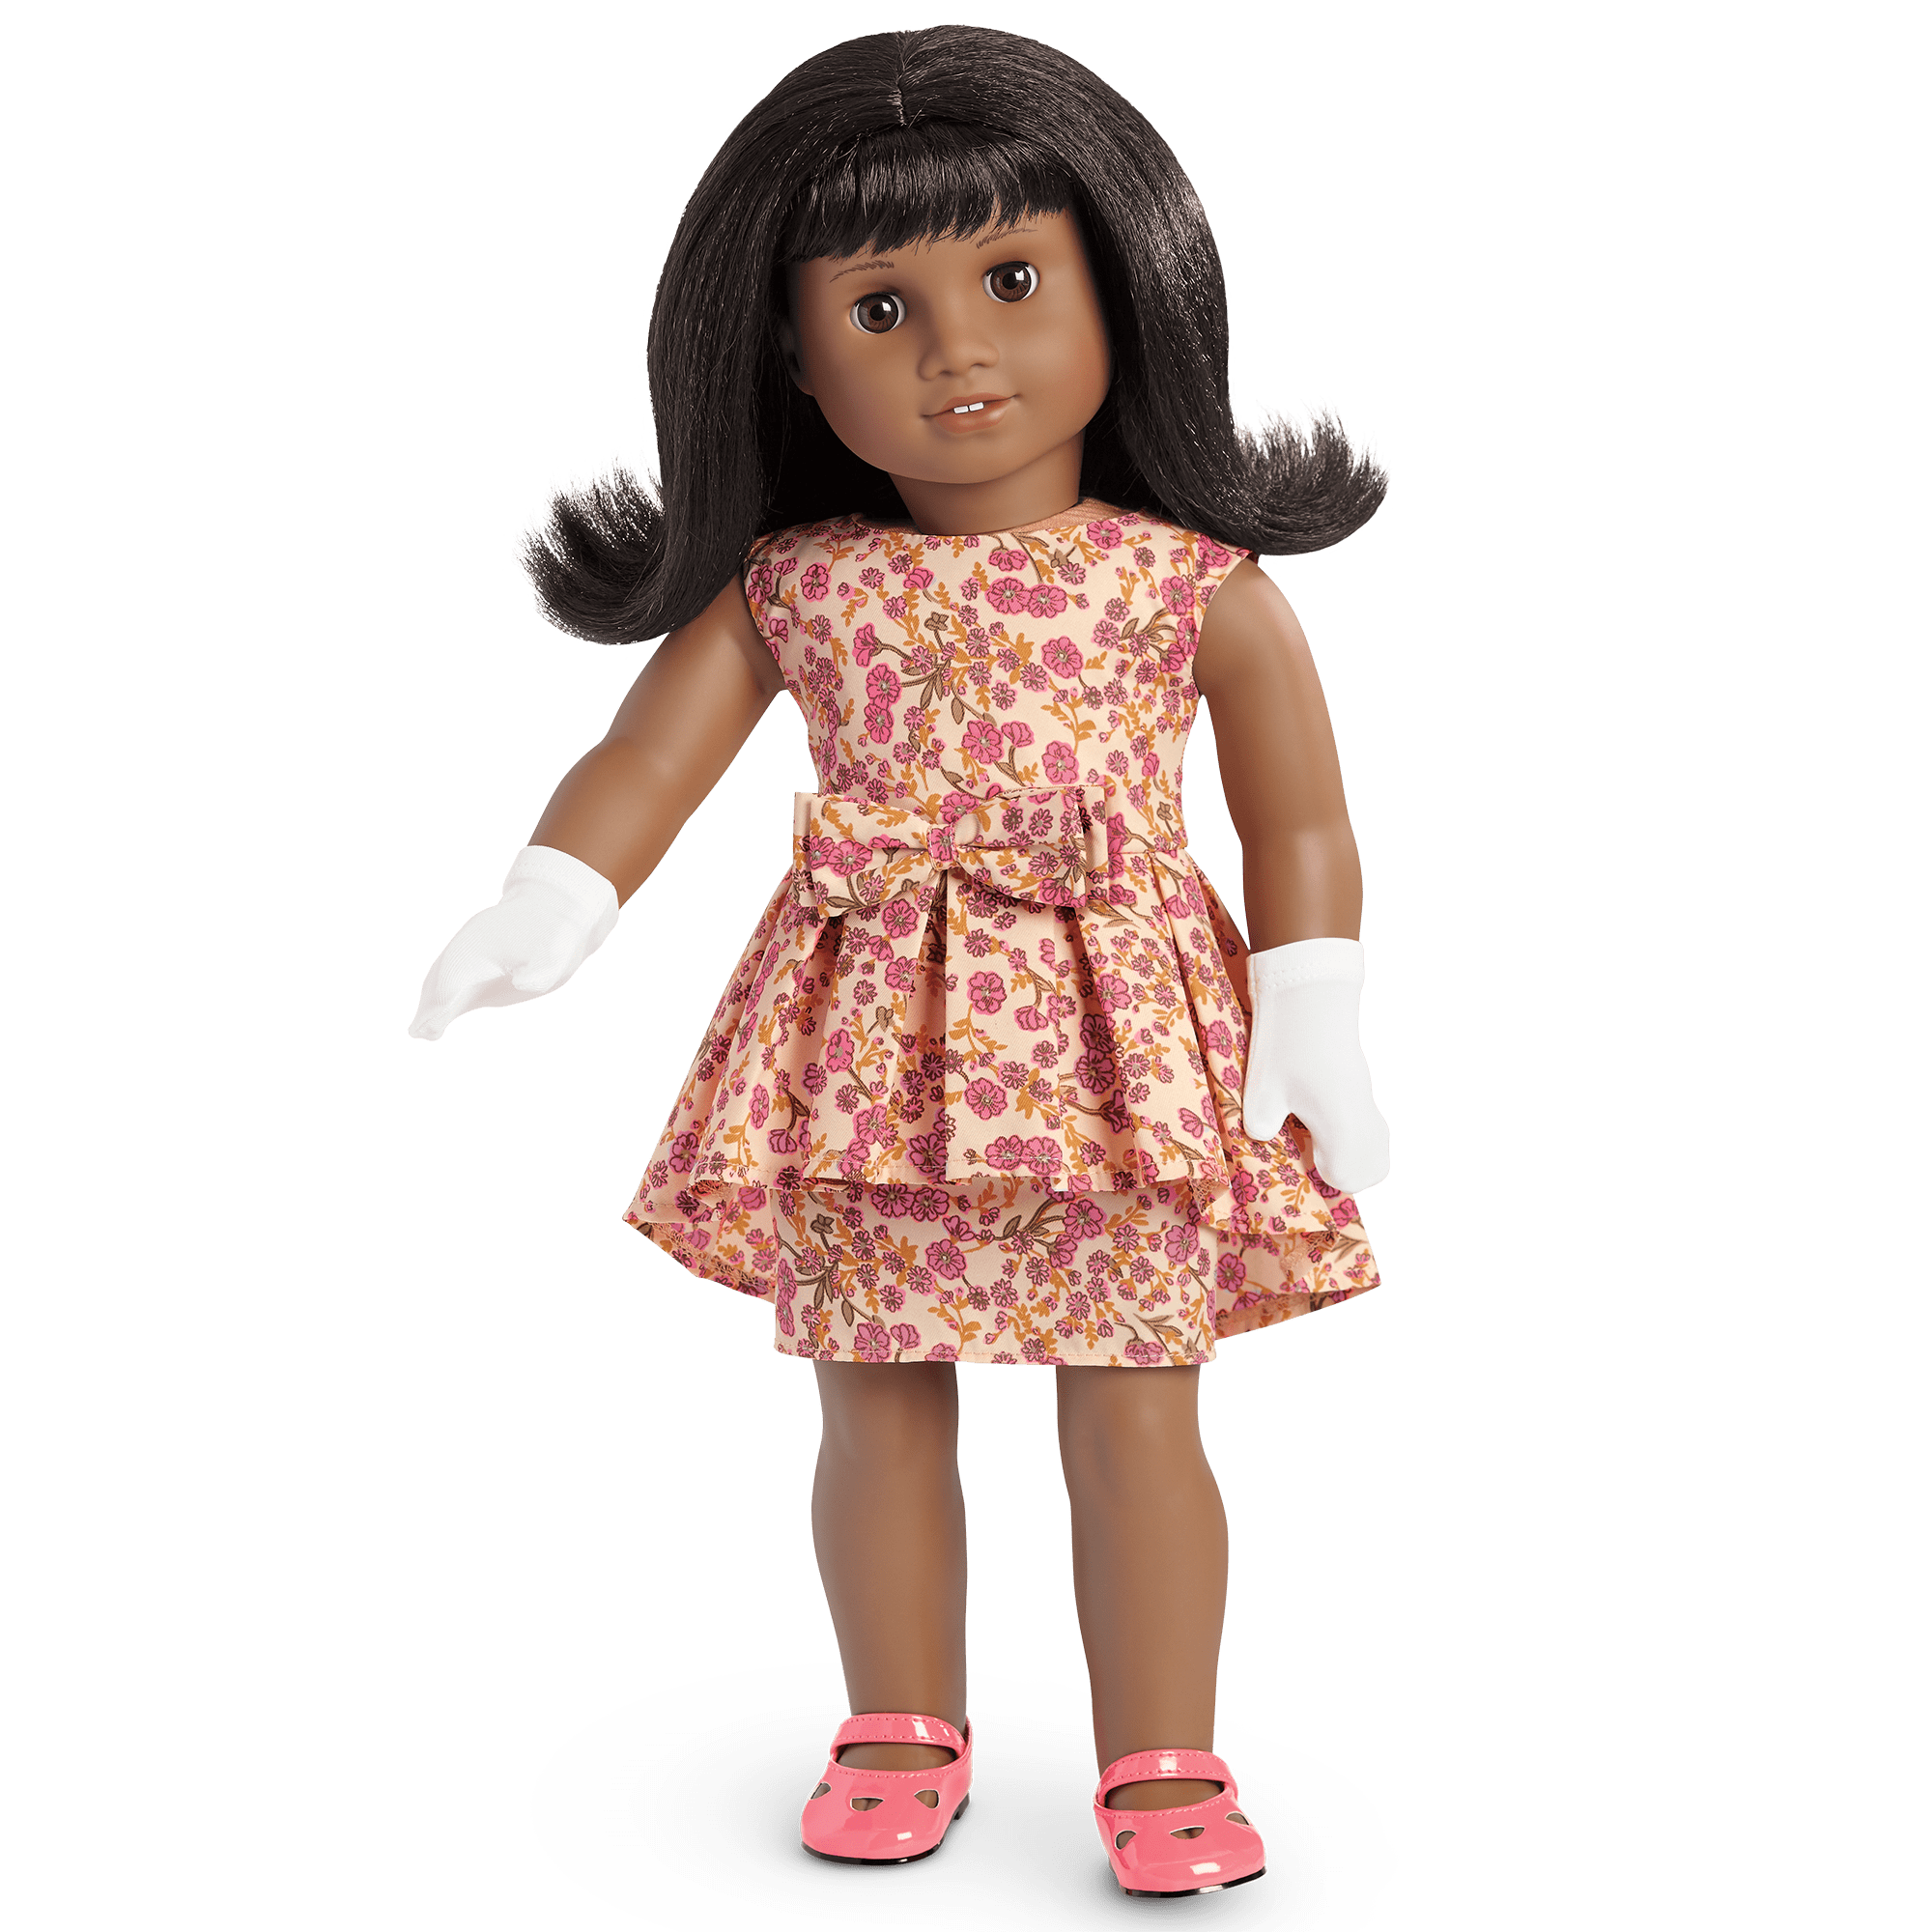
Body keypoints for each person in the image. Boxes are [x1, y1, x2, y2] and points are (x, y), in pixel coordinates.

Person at [408, 25, 1391, 1899]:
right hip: (868, 1047)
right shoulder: (793, 586)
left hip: (1120, 1051)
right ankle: (897, 1721)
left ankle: (1163, 1754)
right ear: (791, 356)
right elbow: (646, 760)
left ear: (1124, 289)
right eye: (879, 307)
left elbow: (1302, 826)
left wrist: (1318, 1009)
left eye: (1013, 279)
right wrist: (552, 901)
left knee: (1136, 1404)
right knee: (872, 1395)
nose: (957, 351)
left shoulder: (1192, 585)